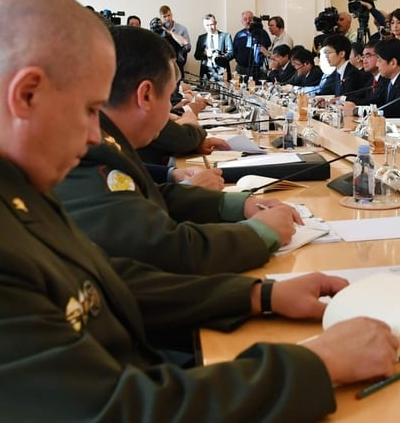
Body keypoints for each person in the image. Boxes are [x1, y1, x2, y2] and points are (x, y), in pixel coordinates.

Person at [0, 0, 398, 421]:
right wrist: (316, 364)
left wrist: (260, 295)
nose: (94, 138)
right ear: (25, 93)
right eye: (86, 110)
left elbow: (106, 282)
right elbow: (120, 412)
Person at [56, 26, 299, 275]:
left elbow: (150, 197)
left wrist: (238, 205)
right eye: (170, 96)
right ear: (146, 95)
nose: (171, 112)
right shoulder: (92, 146)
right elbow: (164, 250)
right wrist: (258, 234)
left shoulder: (108, 137)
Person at [151, 5, 192, 76]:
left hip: (178, 65)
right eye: (164, 16)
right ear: (161, 17)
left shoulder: (182, 29)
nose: (167, 18)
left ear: (172, 14)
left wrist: (170, 33)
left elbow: (187, 47)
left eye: (169, 15)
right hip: (162, 67)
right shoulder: (157, 30)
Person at [193, 13, 233, 81]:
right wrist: (205, 53)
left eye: (211, 24)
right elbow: (196, 55)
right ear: (204, 26)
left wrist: (220, 57)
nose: (210, 27)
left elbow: (232, 53)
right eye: (207, 25)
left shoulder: (225, 36)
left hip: (222, 72)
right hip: (206, 71)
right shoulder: (201, 38)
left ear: (215, 23)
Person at [232, 10, 271, 79]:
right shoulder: (239, 35)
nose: (248, 21)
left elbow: (268, 47)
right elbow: (234, 50)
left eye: (250, 19)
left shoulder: (262, 33)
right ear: (242, 22)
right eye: (245, 19)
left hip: (258, 70)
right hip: (241, 68)